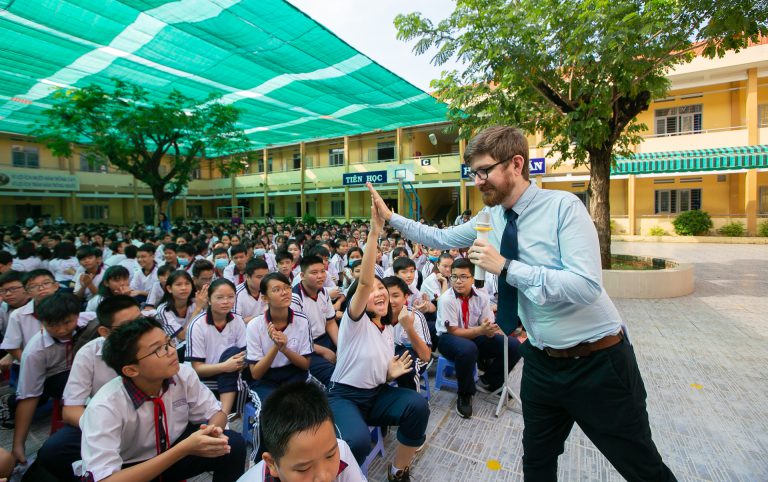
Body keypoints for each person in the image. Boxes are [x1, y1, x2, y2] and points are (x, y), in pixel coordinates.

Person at [367, 126, 675, 481]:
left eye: (485, 171)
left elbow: (587, 286)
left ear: (516, 164)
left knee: (641, 466)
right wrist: (391, 218)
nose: (478, 181)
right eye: (473, 173)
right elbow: (438, 237)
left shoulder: (563, 208)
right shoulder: (490, 218)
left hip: (598, 362)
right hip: (543, 363)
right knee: (537, 463)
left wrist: (508, 268)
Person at [327, 192, 429, 481]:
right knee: (357, 442)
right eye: (372, 291)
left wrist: (388, 374)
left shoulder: (388, 329)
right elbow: (364, 281)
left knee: (417, 406)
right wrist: (374, 233)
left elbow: (374, 372)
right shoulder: (354, 321)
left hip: (376, 394)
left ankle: (398, 470)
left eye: (382, 290)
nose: (378, 292)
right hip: (345, 396)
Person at [77, 317, 246, 481]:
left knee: (232, 445)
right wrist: (184, 449)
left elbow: (216, 412)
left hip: (174, 450)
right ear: (131, 370)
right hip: (131, 468)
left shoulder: (182, 374)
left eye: (168, 342)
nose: (172, 351)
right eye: (158, 349)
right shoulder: (105, 407)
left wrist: (211, 432)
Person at [35, 295, 142, 481]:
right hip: (103, 421)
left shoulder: (155, 345)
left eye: (141, 321)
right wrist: (103, 428)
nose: (140, 331)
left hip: (150, 418)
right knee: (53, 451)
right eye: (127, 327)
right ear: (104, 332)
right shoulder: (89, 354)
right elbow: (70, 410)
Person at [435, 258, 520, 418]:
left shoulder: (481, 296)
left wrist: (489, 330)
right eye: (454, 277)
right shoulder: (447, 299)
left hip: (474, 333)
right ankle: (465, 394)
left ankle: (490, 380)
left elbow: (485, 323)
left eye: (463, 277)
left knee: (513, 345)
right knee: (468, 349)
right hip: (448, 338)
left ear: (473, 278)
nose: (458, 281)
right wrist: (481, 331)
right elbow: (453, 330)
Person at [237, 382, 364, 482]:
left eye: (330, 456)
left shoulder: (341, 451)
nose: (324, 477)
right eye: (304, 469)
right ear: (272, 464)